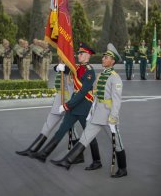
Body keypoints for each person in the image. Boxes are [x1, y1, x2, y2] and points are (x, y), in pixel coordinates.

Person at [51, 43, 127, 179]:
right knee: (86, 137)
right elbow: (95, 96)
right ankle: (69, 161)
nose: (103, 59)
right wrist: (92, 111)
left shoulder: (115, 77)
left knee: (117, 142)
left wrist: (114, 116)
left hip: (109, 114)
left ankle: (123, 168)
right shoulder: (100, 75)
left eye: (106, 57)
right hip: (98, 112)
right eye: (103, 56)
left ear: (113, 61)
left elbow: (117, 100)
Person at [30, 42, 102, 170]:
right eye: (78, 53)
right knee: (62, 129)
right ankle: (43, 154)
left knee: (88, 135)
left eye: (81, 53)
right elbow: (63, 69)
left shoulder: (90, 71)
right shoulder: (77, 68)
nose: (78, 55)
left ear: (87, 55)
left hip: (84, 106)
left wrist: (67, 105)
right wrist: (59, 67)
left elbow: (82, 93)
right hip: (74, 105)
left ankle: (97, 161)